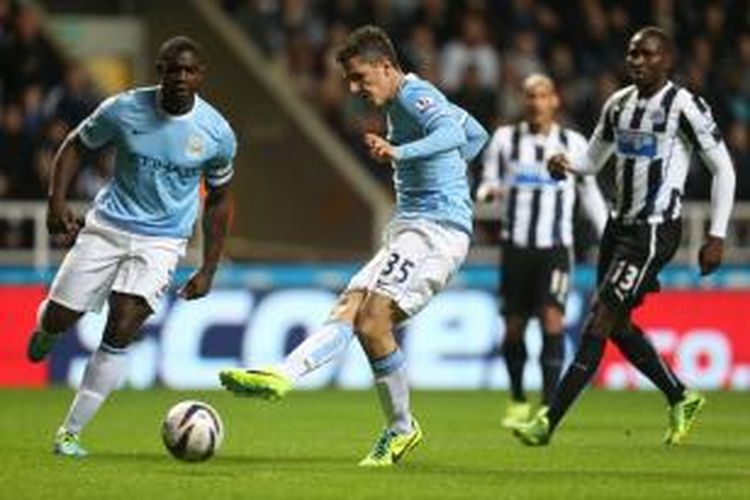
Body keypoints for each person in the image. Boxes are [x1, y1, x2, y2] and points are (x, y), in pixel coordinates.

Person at [219, 25, 489, 467]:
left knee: (373, 321)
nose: (353, 88)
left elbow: (453, 134)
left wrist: (404, 155)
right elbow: (475, 133)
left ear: (386, 67)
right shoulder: (412, 99)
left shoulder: (412, 97)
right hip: (412, 227)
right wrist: (448, 171)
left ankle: (402, 429)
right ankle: (283, 375)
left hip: (436, 230)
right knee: (352, 306)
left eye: (360, 77)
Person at [513, 27, 736, 446]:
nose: (636, 61)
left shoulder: (684, 106)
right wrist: (568, 165)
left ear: (666, 61)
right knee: (616, 323)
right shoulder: (618, 105)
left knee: (600, 317)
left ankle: (548, 421)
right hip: (619, 226)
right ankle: (680, 396)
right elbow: (594, 160)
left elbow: (723, 167)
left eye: (647, 55)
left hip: (654, 231)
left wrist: (717, 234)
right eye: (632, 53)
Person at [26, 36, 236, 457]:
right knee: (61, 318)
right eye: (171, 70)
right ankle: (47, 330)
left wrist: (208, 267)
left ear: (200, 76)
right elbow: (74, 147)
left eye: (188, 70)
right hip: (106, 228)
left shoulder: (216, 133)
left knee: (122, 325)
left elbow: (219, 199)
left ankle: (70, 432)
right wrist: (56, 203)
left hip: (163, 241)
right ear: (159, 71)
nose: (179, 78)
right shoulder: (124, 110)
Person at [476, 74, 607, 428]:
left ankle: (549, 406)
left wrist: (607, 234)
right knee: (514, 328)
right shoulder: (505, 139)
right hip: (516, 247)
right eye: (530, 95)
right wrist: (486, 193)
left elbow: (590, 194)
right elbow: (488, 179)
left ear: (555, 101)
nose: (536, 101)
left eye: (543, 95)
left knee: (553, 318)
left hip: (556, 248)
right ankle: (518, 399)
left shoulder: (573, 142)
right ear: (524, 100)